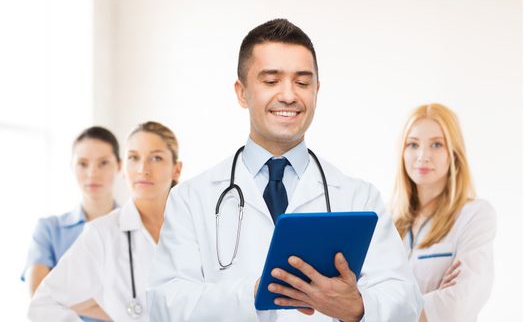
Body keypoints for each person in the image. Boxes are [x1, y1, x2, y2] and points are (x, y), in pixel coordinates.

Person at [147, 19, 423, 321]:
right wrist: (252, 294)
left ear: (316, 90)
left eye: (303, 83)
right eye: (270, 81)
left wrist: (358, 307)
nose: (289, 95)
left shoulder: (359, 197)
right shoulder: (191, 198)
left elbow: (406, 299)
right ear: (241, 92)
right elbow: (166, 304)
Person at [28, 122, 182, 322]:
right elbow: (42, 302)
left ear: (176, 169)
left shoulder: (194, 227)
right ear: (125, 168)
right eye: (134, 157)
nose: (143, 168)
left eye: (156, 158)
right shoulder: (101, 233)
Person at [391, 103, 496, 322]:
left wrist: (384, 310)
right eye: (412, 144)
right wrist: (432, 300)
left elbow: (459, 304)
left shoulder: (474, 216)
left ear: (454, 154)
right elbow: (361, 297)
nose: (423, 156)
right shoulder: (387, 224)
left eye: (437, 144)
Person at [22, 126, 121, 322]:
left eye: (103, 163)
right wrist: (121, 309)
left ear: (119, 165)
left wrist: (66, 299)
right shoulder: (49, 230)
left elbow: (148, 306)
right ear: (71, 166)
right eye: (83, 163)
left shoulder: (137, 229)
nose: (92, 173)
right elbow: (39, 299)